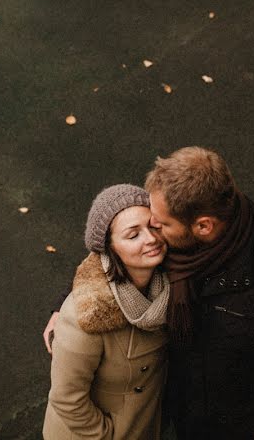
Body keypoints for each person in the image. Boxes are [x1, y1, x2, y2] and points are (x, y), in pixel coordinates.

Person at [44, 148, 254, 439]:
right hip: (187, 414)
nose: (153, 231)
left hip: (248, 424)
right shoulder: (180, 211)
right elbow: (115, 236)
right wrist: (69, 300)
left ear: (202, 226)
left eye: (160, 224)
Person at [43, 184, 170, 440]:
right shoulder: (86, 315)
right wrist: (107, 435)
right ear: (110, 249)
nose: (151, 238)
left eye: (153, 226)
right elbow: (67, 399)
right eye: (133, 235)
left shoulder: (168, 282)